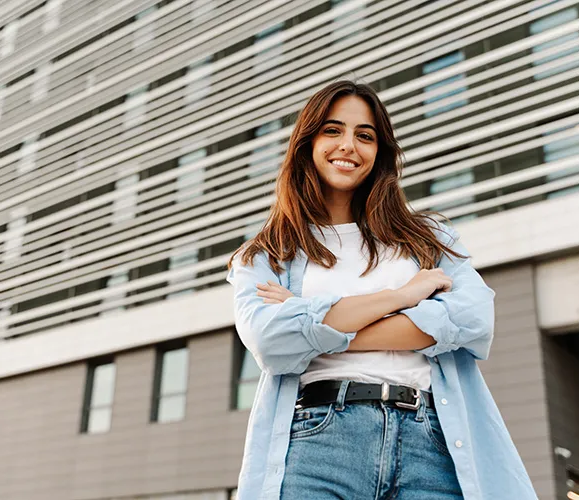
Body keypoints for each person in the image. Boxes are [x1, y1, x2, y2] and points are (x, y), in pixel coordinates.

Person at [225, 80, 537, 499]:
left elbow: (473, 319)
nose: (348, 146)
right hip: (319, 441)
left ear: (381, 151)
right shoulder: (268, 253)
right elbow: (270, 340)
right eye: (332, 130)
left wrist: (311, 318)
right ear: (307, 143)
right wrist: (401, 299)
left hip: (429, 440)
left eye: (365, 135)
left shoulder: (428, 237)